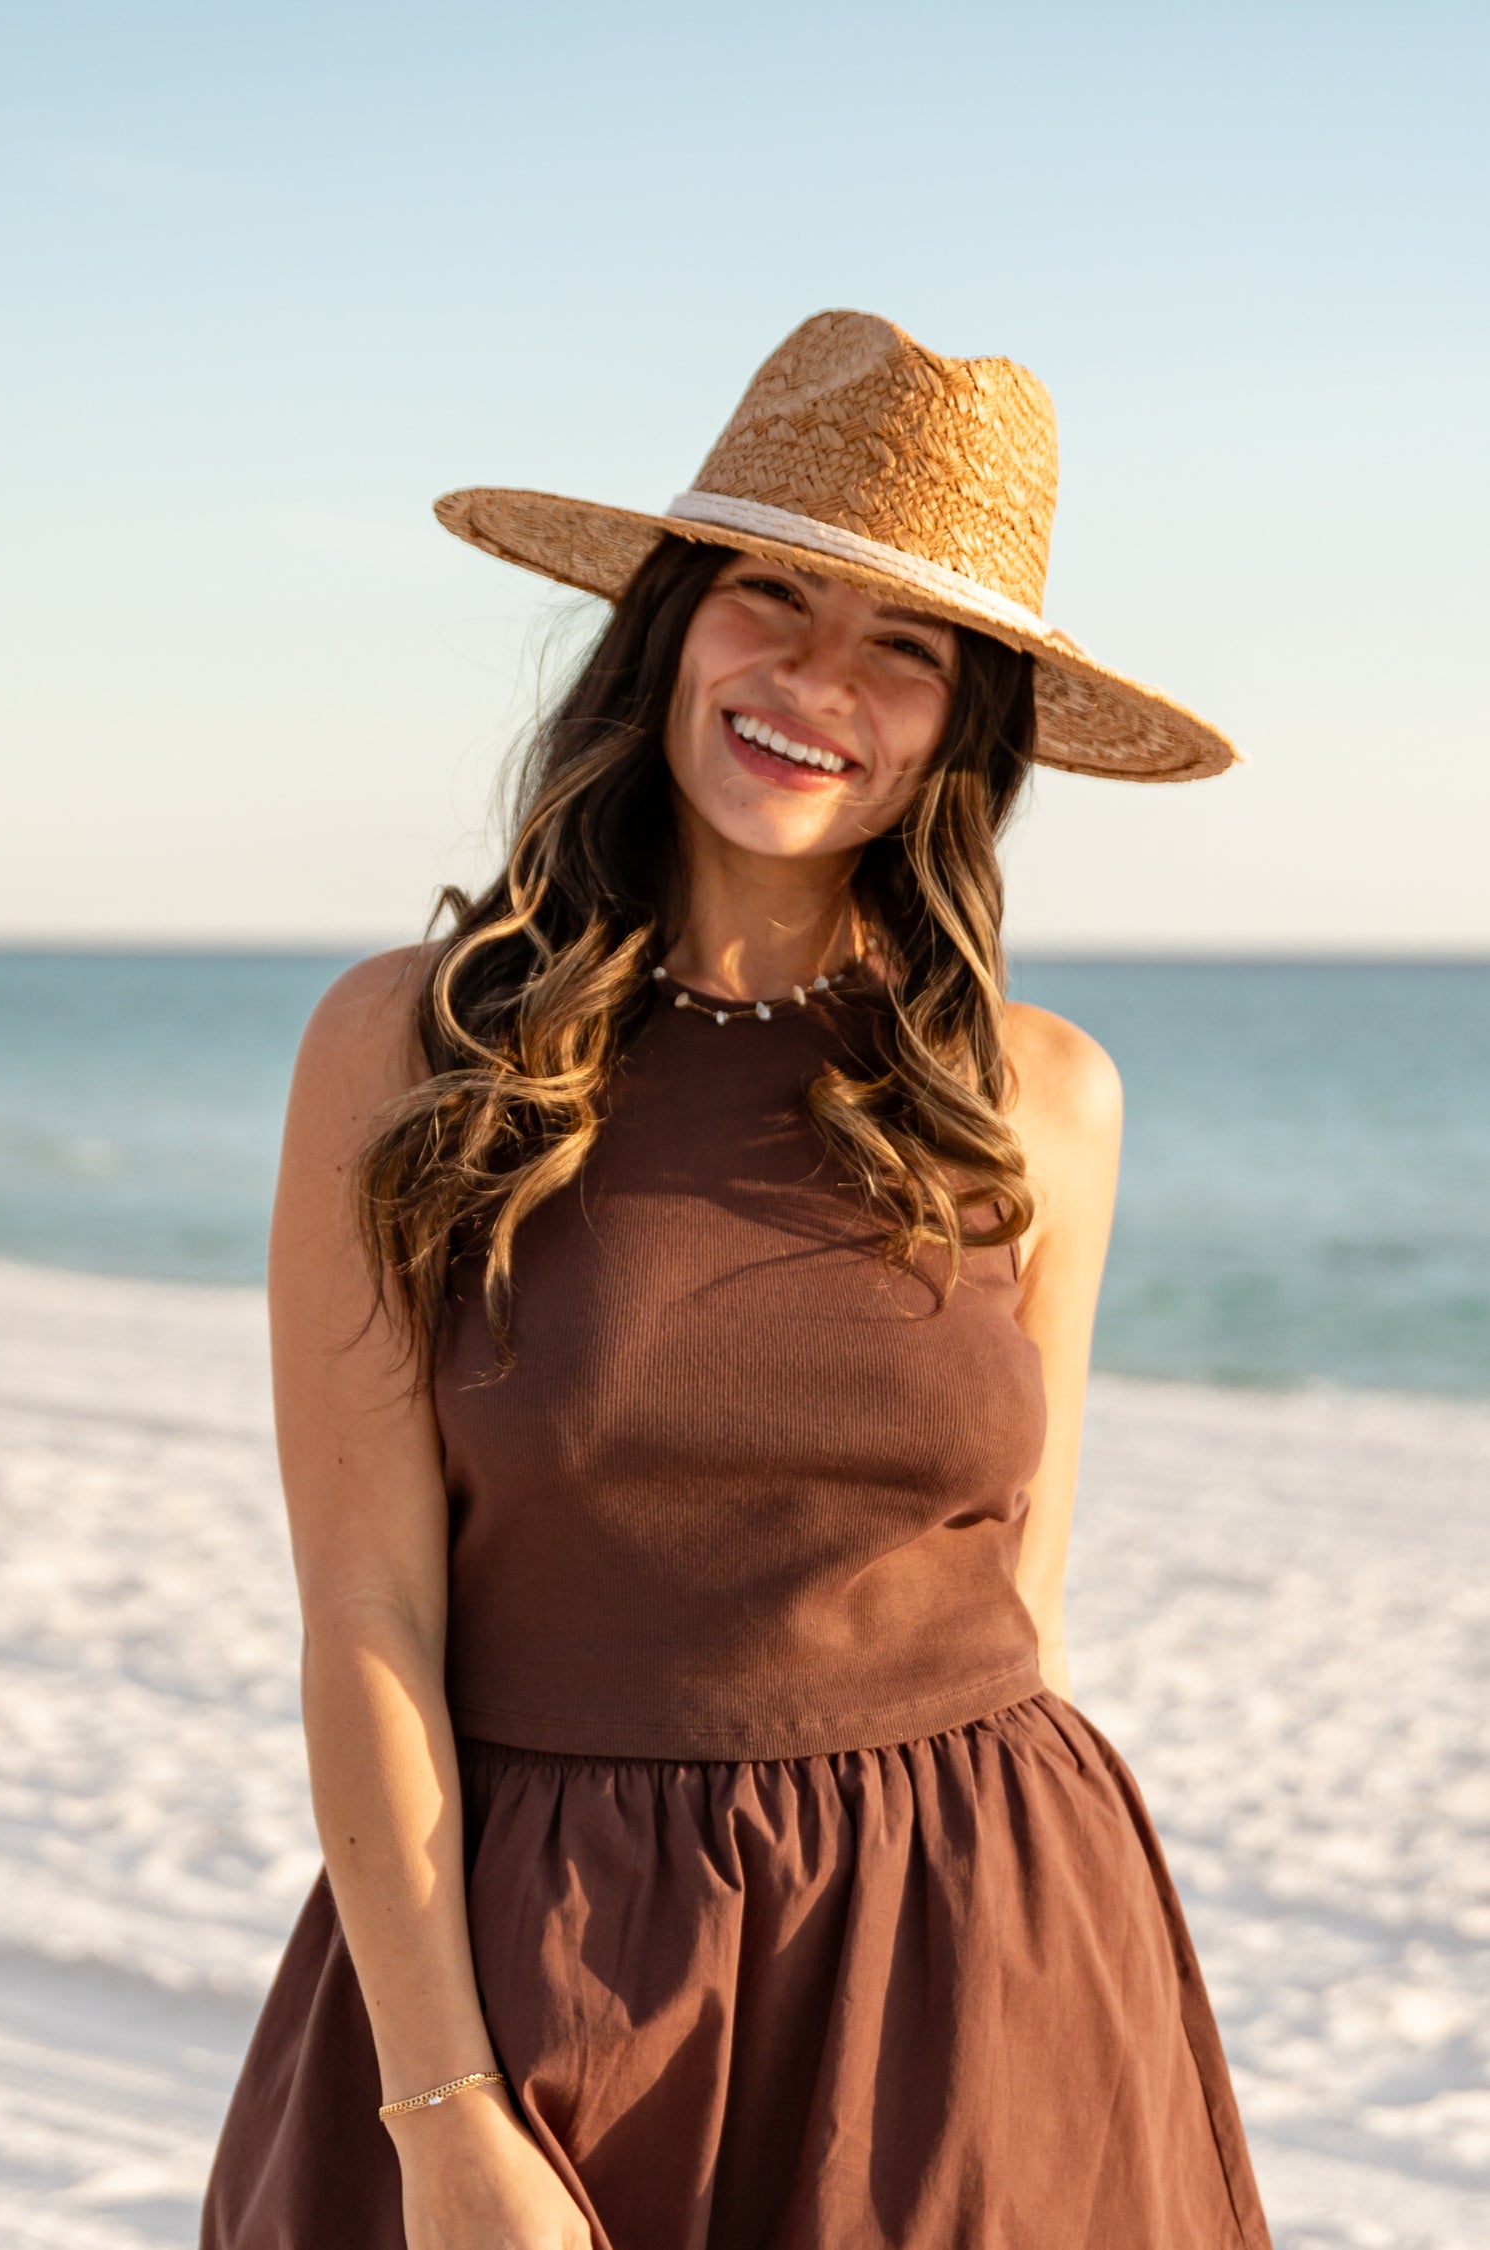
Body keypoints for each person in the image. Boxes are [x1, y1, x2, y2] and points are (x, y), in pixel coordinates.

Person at [202, 309, 1271, 2249]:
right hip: (541, 1936)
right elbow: (364, 1611)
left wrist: (990, 1956)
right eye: (769, 597)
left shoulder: (1039, 1096)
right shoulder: (408, 1048)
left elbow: (1018, 1575)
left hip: (978, 1928)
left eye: (907, 649)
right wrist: (445, 2112)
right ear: (667, 626)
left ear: (970, 728)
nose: (817, 682)